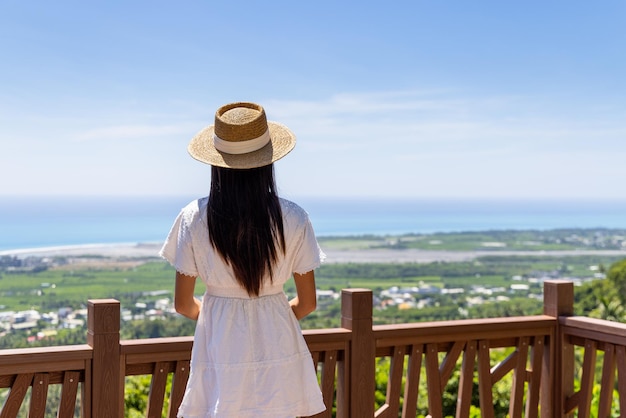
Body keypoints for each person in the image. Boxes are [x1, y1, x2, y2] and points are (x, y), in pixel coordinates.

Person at [160, 102, 326, 418]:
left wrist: (222, 321)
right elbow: (307, 304)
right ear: (267, 162)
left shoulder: (194, 217)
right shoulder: (294, 217)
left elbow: (183, 304)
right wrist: (267, 317)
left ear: (216, 162)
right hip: (279, 339)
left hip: (219, 344)